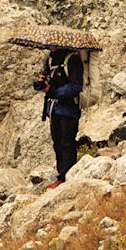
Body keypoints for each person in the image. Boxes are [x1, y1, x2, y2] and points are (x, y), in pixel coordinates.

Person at [34, 49, 84, 189]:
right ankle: (61, 175)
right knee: (57, 143)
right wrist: (44, 82)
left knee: (67, 143)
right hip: (54, 110)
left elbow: (76, 86)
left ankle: (66, 177)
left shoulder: (72, 60)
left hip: (69, 110)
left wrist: (53, 91)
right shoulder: (51, 60)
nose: (50, 47)